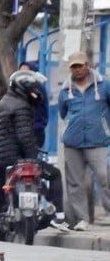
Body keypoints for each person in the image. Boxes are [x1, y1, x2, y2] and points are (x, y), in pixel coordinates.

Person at [0, 69, 71, 236]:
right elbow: (25, 136)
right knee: (54, 175)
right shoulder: (22, 106)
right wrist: (33, 158)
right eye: (32, 89)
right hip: (18, 159)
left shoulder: (4, 102)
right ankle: (60, 217)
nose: (35, 92)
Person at [56, 51, 110, 230]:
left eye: (80, 65)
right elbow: (63, 113)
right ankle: (82, 219)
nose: (77, 69)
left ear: (87, 65)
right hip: (73, 142)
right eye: (74, 67)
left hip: (98, 140)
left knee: (104, 176)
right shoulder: (65, 89)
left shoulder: (104, 85)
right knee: (75, 182)